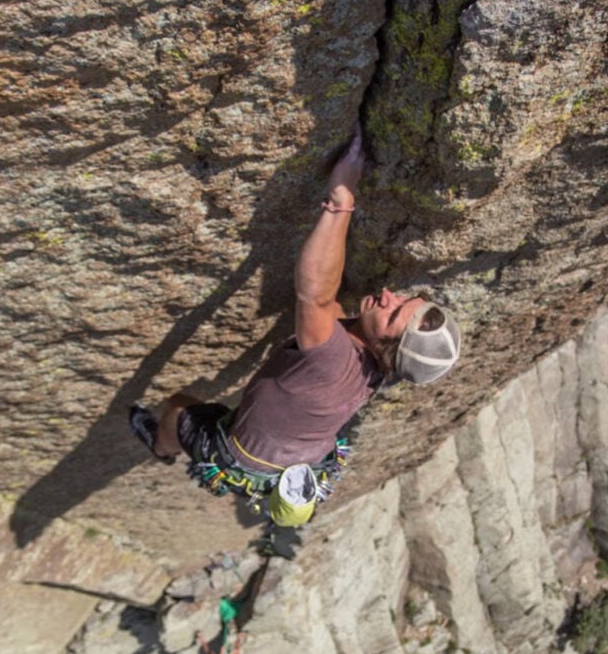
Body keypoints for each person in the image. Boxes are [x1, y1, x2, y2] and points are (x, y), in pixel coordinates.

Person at [130, 124, 460, 523]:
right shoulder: (381, 366)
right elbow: (330, 309)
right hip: (304, 459)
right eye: (406, 299)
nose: (390, 294)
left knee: (179, 407)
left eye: (392, 313)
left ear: (385, 348)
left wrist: (342, 198)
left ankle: (162, 448)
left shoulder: (332, 359)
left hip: (245, 459)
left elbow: (316, 296)